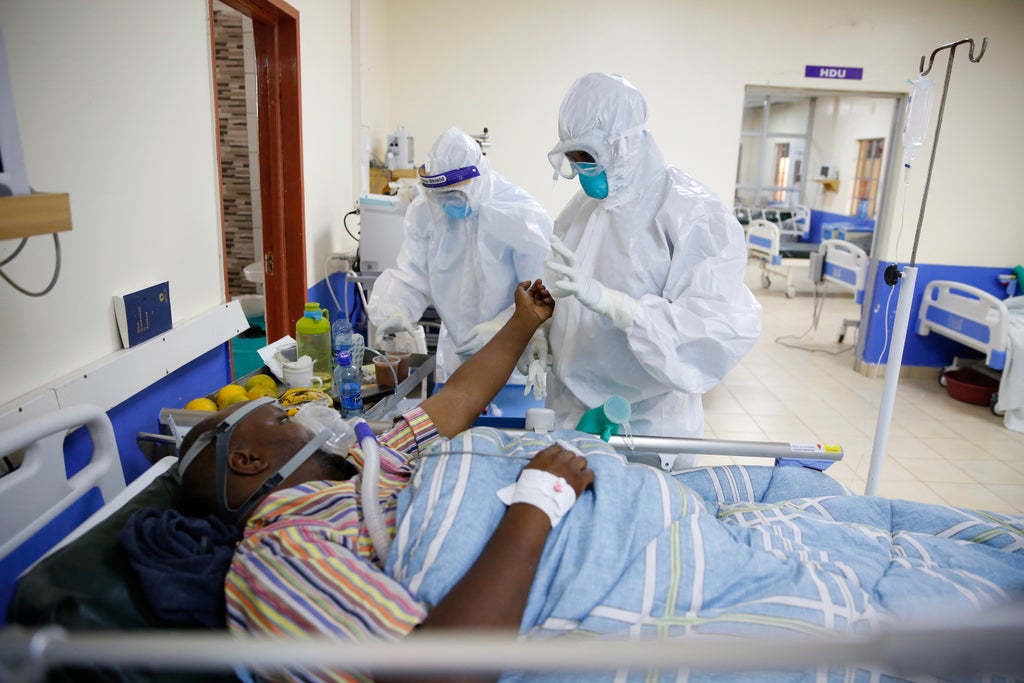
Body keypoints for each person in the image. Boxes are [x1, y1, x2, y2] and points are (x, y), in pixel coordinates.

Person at [178, 279, 589, 683]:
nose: (305, 419)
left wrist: (524, 320)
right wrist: (540, 499)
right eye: (284, 419)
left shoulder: (365, 465)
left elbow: (460, 398)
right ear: (248, 461)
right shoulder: (278, 557)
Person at [542, 72, 762, 466]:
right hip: (571, 412)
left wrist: (623, 309)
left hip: (645, 423)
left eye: (588, 157)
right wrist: (541, 335)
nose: (581, 169)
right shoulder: (580, 211)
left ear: (624, 144)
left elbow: (712, 332)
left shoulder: (692, 213)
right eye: (573, 158)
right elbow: (561, 290)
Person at [366, 126, 553, 383]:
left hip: (513, 357)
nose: (447, 202)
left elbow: (539, 292)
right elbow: (412, 275)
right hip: (457, 353)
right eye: (440, 194)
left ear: (477, 178)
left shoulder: (519, 215)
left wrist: (501, 326)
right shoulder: (428, 212)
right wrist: (396, 309)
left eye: (454, 193)